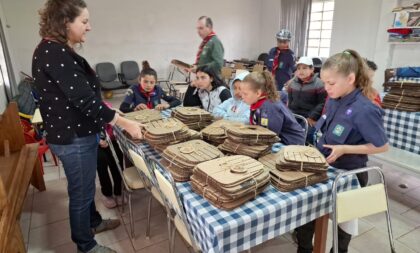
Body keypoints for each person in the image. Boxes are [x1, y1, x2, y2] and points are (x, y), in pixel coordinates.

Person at [32, 1, 144, 252]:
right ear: (64, 22)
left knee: (84, 186)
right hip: (73, 138)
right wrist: (123, 122)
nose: (89, 27)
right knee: (81, 193)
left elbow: (80, 96)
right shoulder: (54, 52)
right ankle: (86, 245)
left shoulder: (53, 49)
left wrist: (110, 112)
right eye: (84, 21)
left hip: (75, 133)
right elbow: (83, 100)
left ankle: (92, 222)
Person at [295, 50, 389, 253]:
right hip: (323, 168)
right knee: (305, 219)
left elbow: (382, 146)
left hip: (348, 175)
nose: (326, 88)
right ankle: (304, 248)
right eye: (324, 82)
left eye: (331, 83)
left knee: (342, 231)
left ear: (350, 78)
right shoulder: (334, 98)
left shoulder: (365, 108)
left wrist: (345, 148)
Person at [241, 71, 305, 145]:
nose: (242, 97)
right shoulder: (258, 102)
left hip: (291, 144)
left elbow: (270, 136)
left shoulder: (270, 107)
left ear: (258, 93)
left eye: (245, 94)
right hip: (277, 140)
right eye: (241, 93)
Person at [287, 56, 327, 144]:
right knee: (289, 133)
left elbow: (322, 103)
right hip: (295, 114)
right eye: (298, 68)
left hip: (310, 116)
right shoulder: (292, 83)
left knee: (307, 136)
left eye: (305, 68)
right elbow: (290, 101)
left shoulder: (319, 84)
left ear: (312, 69)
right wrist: (288, 114)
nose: (301, 71)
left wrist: (312, 117)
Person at [96, 103, 123, 209]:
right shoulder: (83, 108)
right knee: (101, 163)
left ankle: (119, 191)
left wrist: (116, 113)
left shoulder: (106, 105)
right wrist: (98, 140)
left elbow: (114, 123)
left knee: (118, 162)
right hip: (96, 142)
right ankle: (107, 194)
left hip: (111, 140)